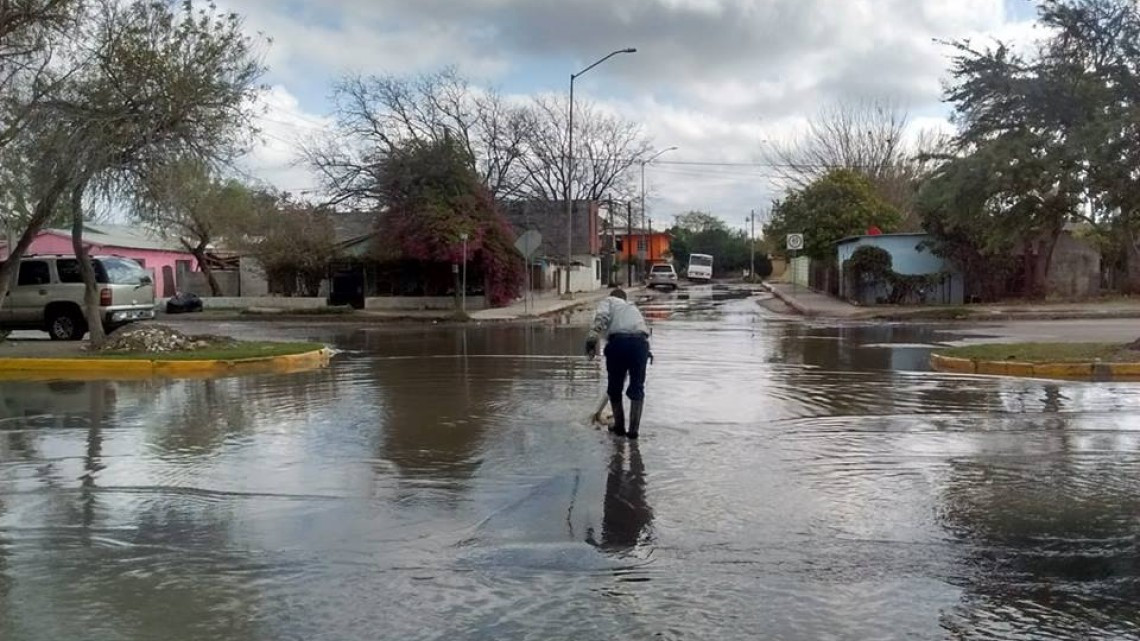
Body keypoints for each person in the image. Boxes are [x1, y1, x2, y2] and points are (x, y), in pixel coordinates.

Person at [585, 288, 651, 439]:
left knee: (615, 388)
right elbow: (642, 330)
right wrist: (646, 353)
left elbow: (601, 317)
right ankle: (633, 431)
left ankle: (619, 427)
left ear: (613, 296)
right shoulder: (632, 307)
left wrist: (592, 337)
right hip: (640, 345)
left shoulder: (609, 301)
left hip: (618, 343)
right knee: (637, 388)